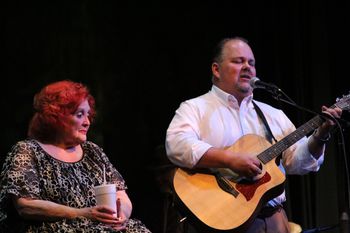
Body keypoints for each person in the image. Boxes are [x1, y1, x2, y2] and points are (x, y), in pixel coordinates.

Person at [165, 37, 342, 233]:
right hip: (218, 222)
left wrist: (320, 136)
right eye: (238, 61)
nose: (247, 67)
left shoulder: (273, 115)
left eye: (251, 63)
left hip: (273, 220)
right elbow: (177, 144)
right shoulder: (195, 108)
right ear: (216, 69)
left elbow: (299, 163)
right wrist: (229, 160)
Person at [0, 80, 151, 233]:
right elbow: (26, 205)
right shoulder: (28, 151)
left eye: (88, 115)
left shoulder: (93, 151)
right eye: (79, 115)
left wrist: (121, 216)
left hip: (103, 227)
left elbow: (120, 192)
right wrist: (83, 214)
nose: (87, 122)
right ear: (56, 117)